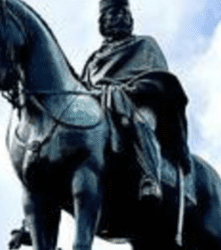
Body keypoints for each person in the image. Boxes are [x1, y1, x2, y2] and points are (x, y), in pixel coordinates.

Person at [81, 0, 191, 204]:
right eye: (113, 14)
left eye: (124, 14)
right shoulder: (93, 60)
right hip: (99, 106)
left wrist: (129, 90)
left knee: (140, 123)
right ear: (103, 23)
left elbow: (160, 79)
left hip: (139, 101)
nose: (120, 18)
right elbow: (82, 89)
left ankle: (150, 179)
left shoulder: (145, 44)